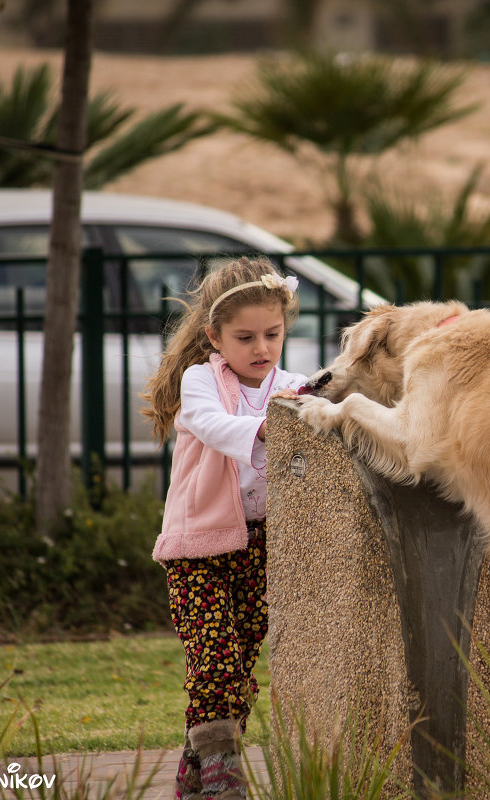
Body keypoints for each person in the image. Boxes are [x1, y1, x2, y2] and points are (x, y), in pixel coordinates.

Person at [141, 255, 307, 800]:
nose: (261, 348)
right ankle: (222, 771)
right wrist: (273, 424)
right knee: (212, 654)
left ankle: (200, 758)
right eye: (245, 337)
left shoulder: (297, 387)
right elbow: (212, 427)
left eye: (272, 334)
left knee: (240, 660)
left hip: (262, 549)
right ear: (214, 336)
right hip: (198, 549)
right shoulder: (200, 382)